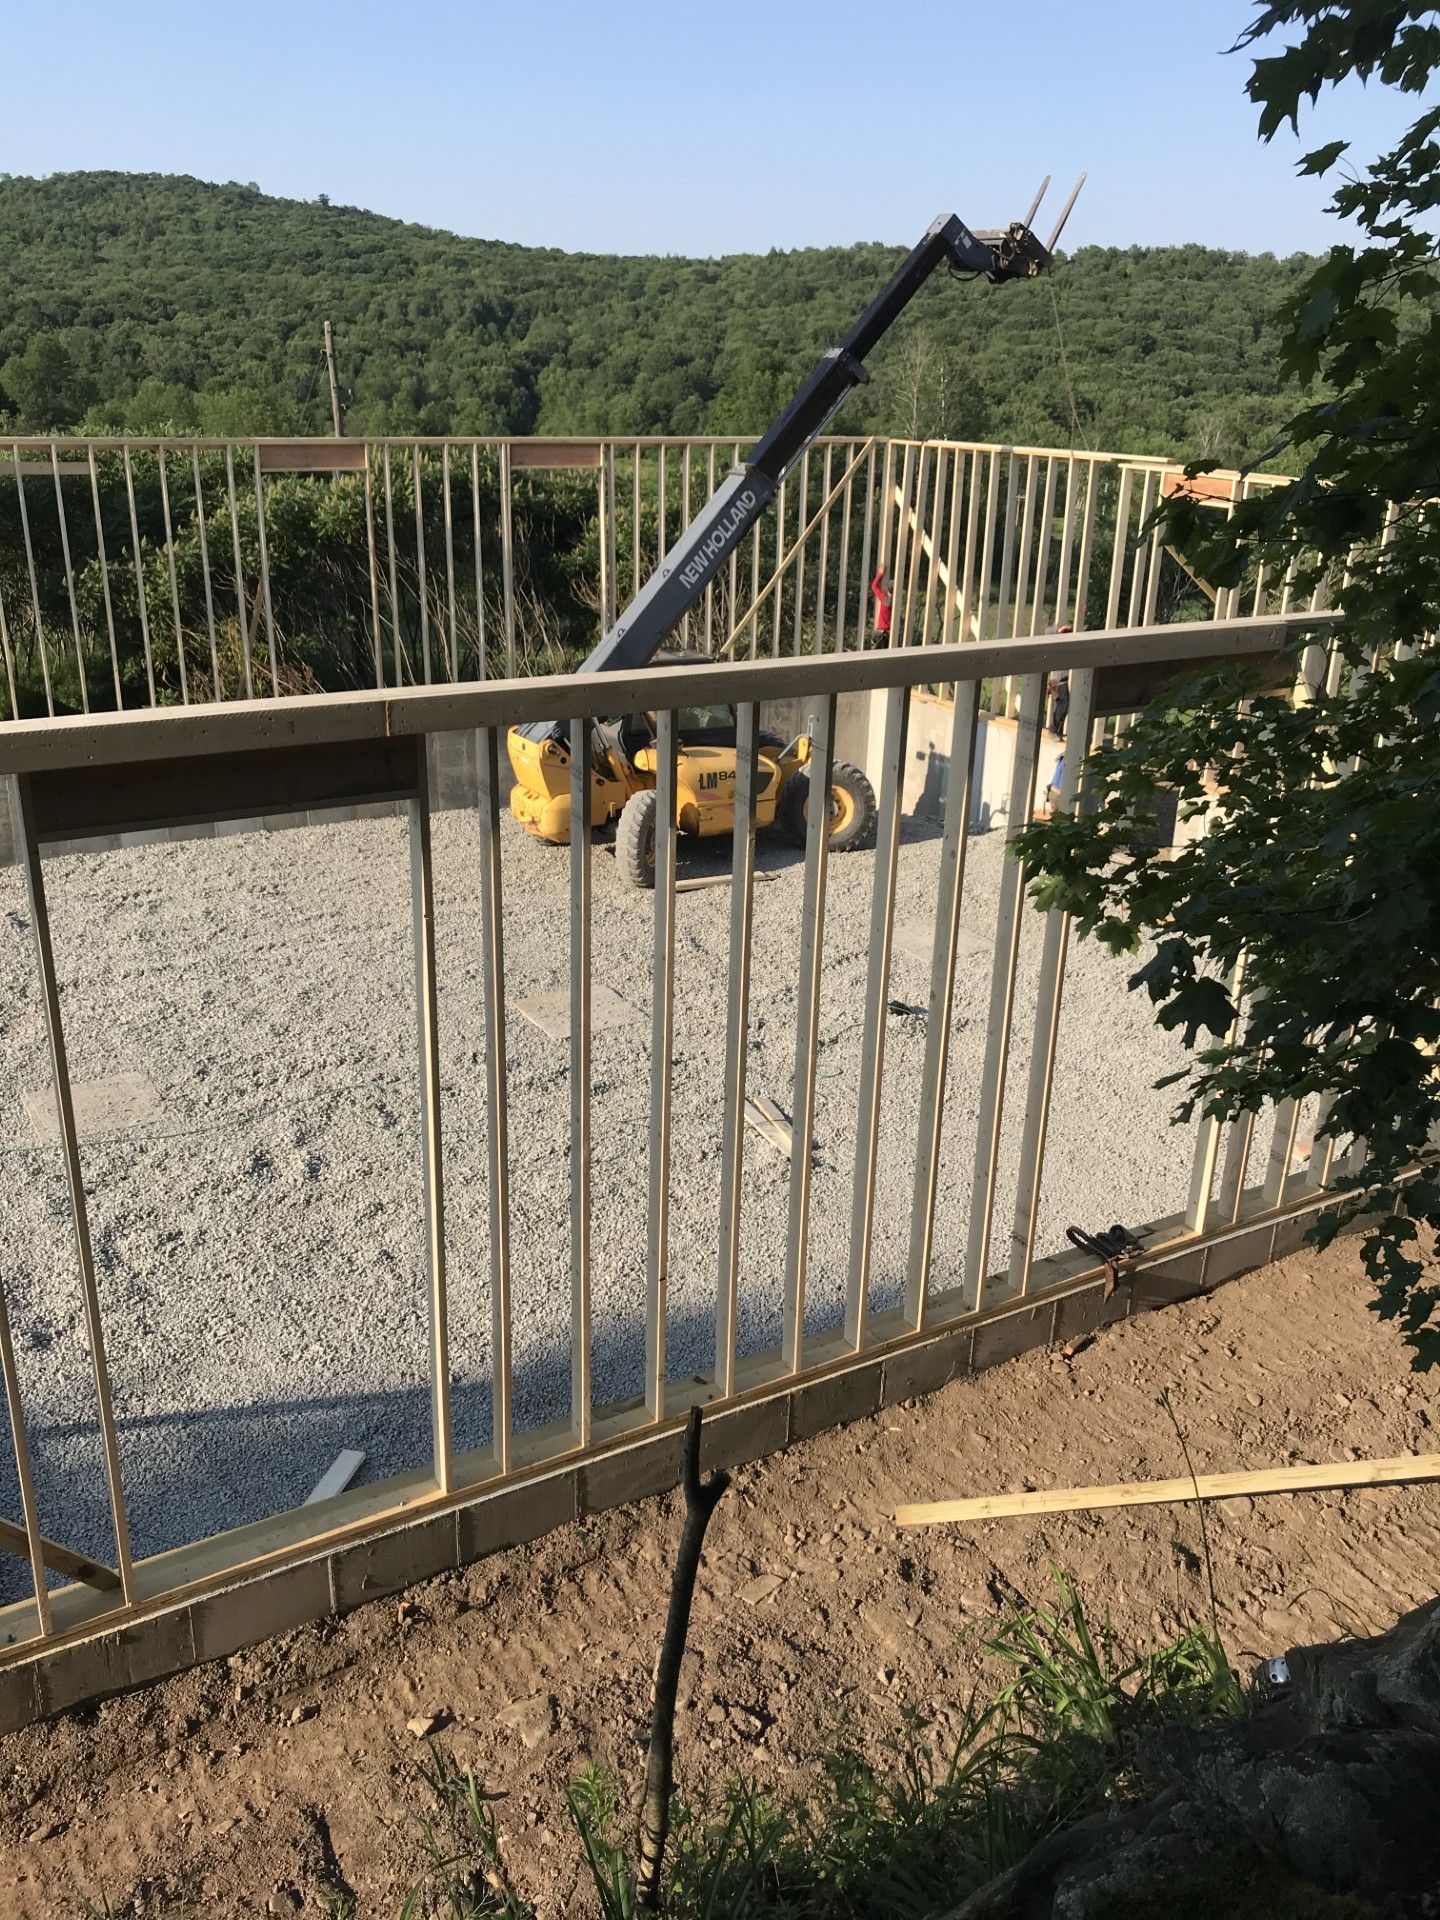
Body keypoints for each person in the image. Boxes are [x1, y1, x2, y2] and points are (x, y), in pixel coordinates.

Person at [870, 567, 893, 646]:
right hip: (888, 634)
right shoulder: (895, 603)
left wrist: (880, 573)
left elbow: (874, 586)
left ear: (888, 589)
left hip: (879, 633)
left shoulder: (884, 599)